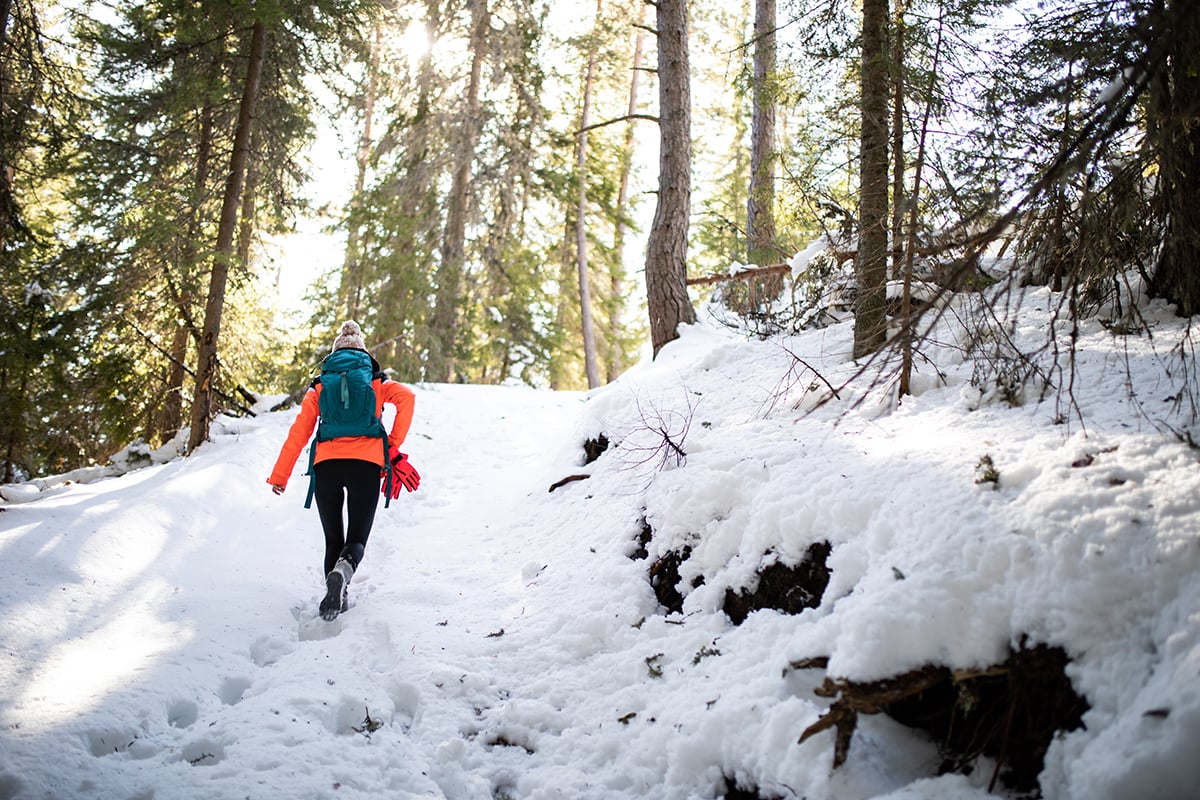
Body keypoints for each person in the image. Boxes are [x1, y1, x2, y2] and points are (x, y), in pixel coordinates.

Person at [266, 321, 419, 621]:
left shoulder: (321, 386)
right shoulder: (376, 382)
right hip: (367, 465)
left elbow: (299, 433)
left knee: (332, 540)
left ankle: (336, 598)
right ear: (363, 354)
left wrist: (280, 476)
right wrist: (392, 445)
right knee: (356, 539)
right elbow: (407, 399)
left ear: (334, 356)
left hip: (327, 467)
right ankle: (344, 572)